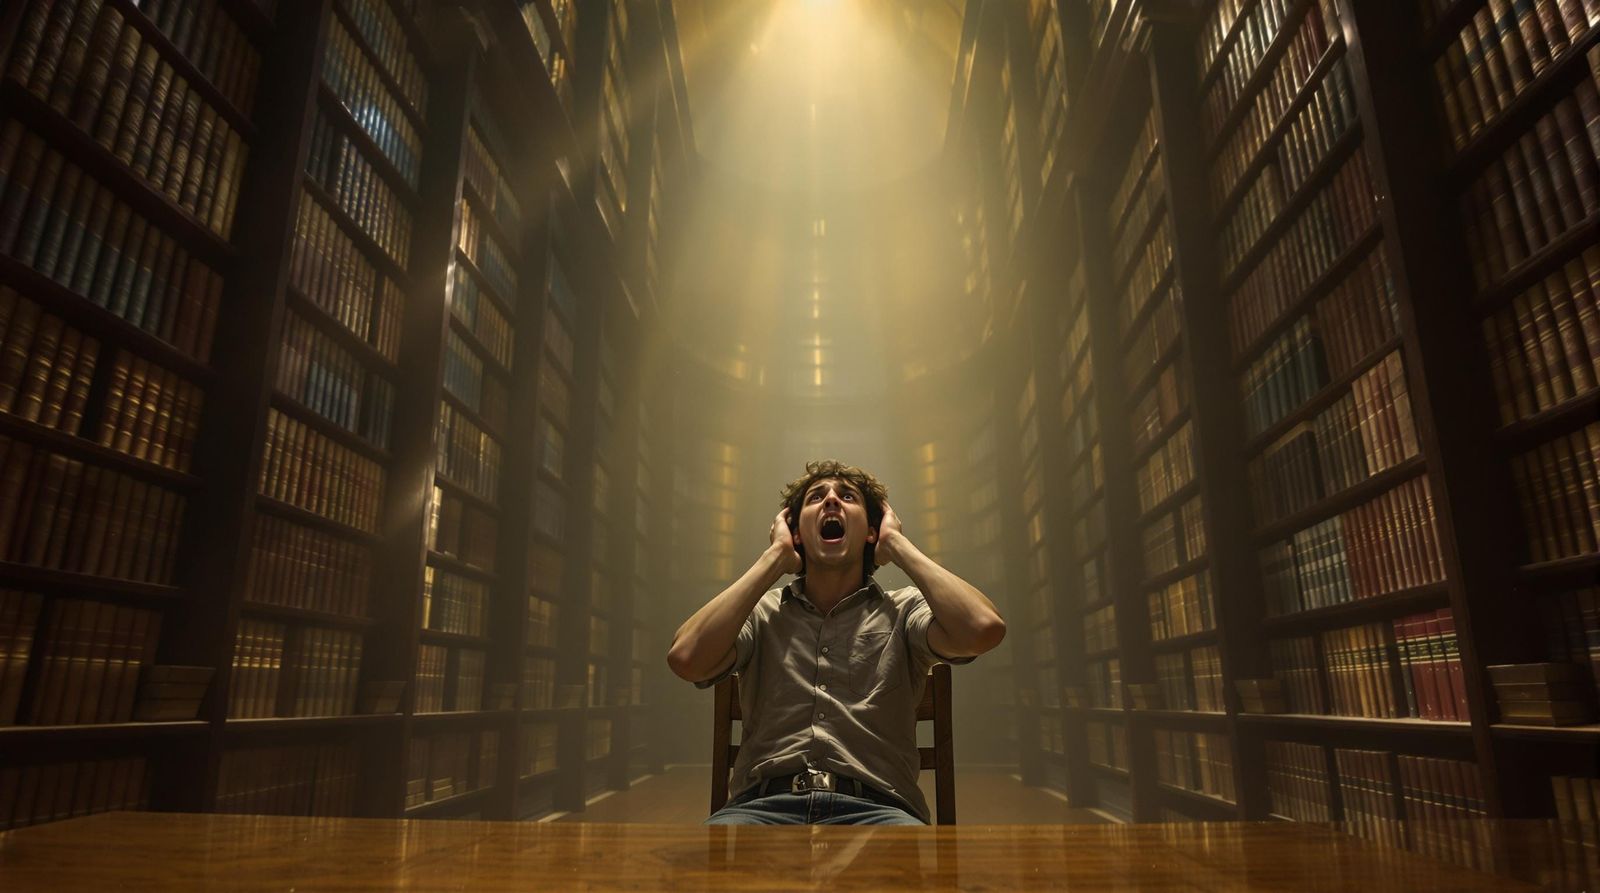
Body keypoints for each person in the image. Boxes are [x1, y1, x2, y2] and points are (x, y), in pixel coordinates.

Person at [666, 460, 1006, 825]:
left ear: (871, 531)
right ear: (796, 533)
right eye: (816, 497)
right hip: (760, 809)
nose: (831, 500)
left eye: (848, 496)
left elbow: (983, 628)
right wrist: (774, 557)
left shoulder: (904, 610)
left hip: (880, 812)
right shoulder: (761, 612)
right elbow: (687, 658)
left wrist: (897, 544)